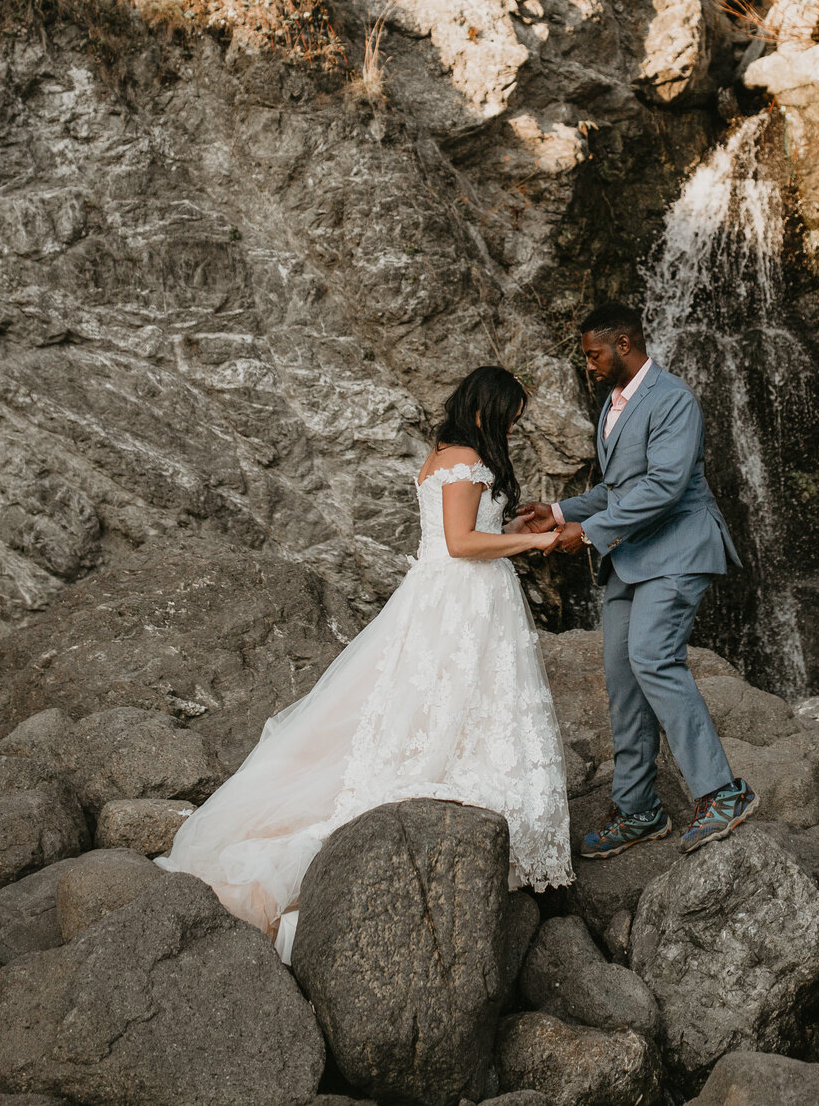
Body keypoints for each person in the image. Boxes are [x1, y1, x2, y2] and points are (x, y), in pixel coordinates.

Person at [157, 365, 571, 960]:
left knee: (449, 700)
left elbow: (472, 530)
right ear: (489, 408)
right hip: (462, 595)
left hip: (455, 594)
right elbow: (460, 543)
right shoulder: (463, 459)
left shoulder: (448, 456)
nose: (514, 425)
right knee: (451, 701)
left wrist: (512, 526)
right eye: (511, 414)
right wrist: (532, 543)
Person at [512, 300, 755, 856]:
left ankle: (722, 792)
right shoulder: (613, 406)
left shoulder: (672, 399)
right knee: (623, 680)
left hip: (677, 549)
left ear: (623, 344)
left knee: (652, 657)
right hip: (632, 556)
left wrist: (591, 532)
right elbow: (619, 490)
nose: (589, 365)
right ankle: (639, 809)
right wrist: (560, 510)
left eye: (593, 354)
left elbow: (666, 488)